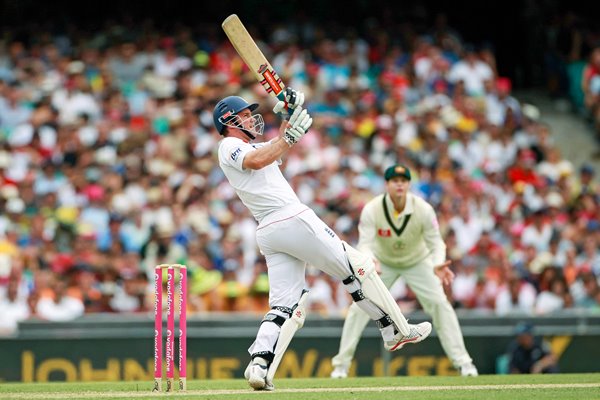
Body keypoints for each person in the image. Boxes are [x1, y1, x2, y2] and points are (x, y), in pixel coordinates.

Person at [213, 89, 432, 391]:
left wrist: (289, 113)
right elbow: (258, 159)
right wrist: (287, 136)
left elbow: (275, 148)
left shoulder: (252, 146)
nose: (252, 118)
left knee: (285, 305)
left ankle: (259, 365)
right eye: (246, 115)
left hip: (270, 230)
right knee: (357, 267)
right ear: (229, 121)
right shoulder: (229, 145)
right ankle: (397, 329)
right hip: (289, 218)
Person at [331, 164, 479, 378]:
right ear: (387, 184)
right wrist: (370, 260)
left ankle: (464, 364)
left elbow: (436, 242)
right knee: (359, 308)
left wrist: (438, 263)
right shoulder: (372, 209)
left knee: (440, 304)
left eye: (403, 180)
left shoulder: (423, 209)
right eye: (394, 180)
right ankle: (341, 366)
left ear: (409, 184)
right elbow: (365, 242)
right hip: (383, 262)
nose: (399, 184)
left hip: (418, 262)